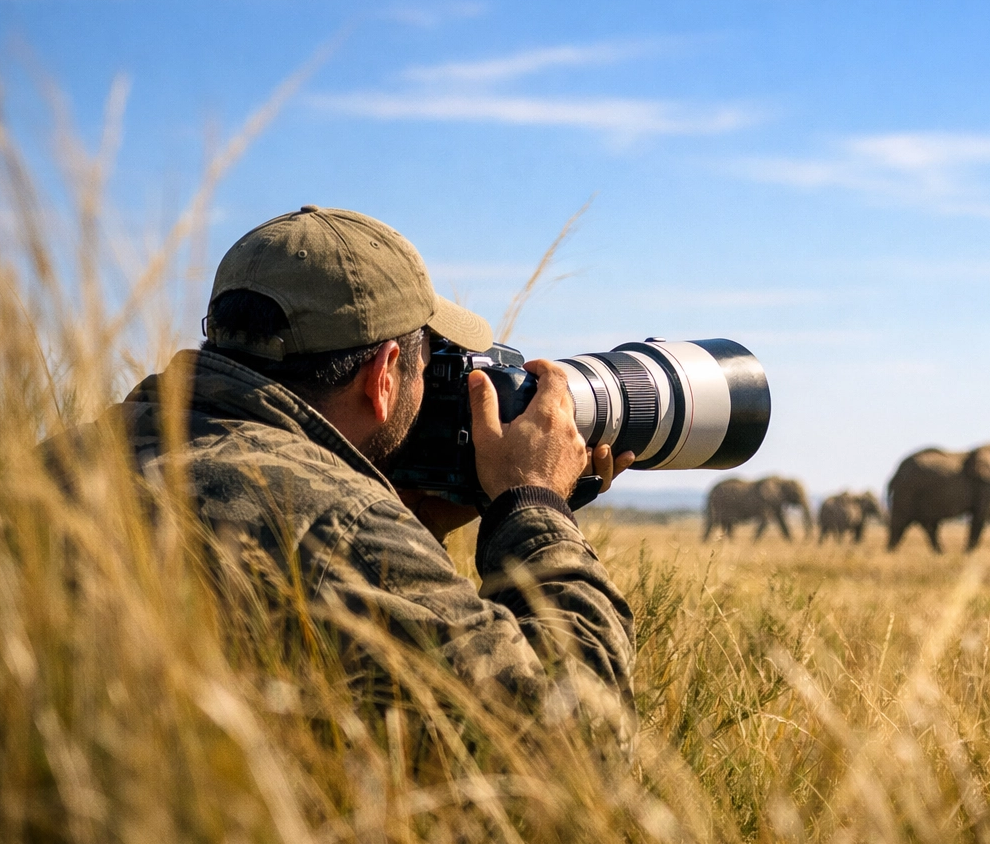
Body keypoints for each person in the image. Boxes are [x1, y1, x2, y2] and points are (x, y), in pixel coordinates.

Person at [99, 205, 636, 724]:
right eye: (430, 363)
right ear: (384, 375)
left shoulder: (87, 453)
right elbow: (582, 738)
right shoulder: (341, 530)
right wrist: (535, 505)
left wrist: (414, 528)